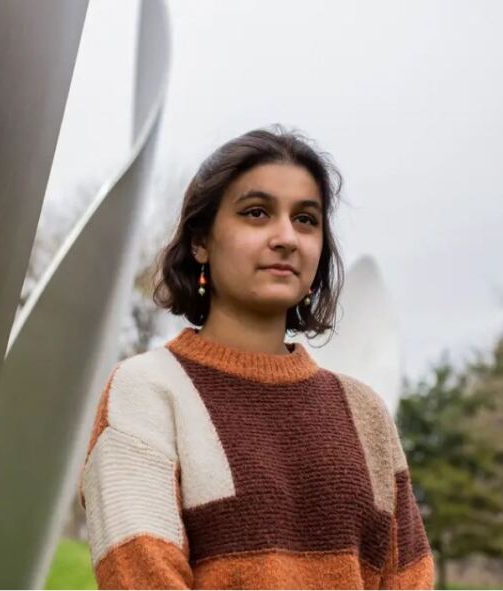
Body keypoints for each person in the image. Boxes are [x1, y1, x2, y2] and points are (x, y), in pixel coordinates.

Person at [77, 125, 434, 589]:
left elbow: (409, 578)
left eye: (306, 219)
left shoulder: (365, 413)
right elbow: (140, 575)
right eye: (257, 213)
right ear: (201, 241)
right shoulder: (147, 391)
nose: (286, 237)